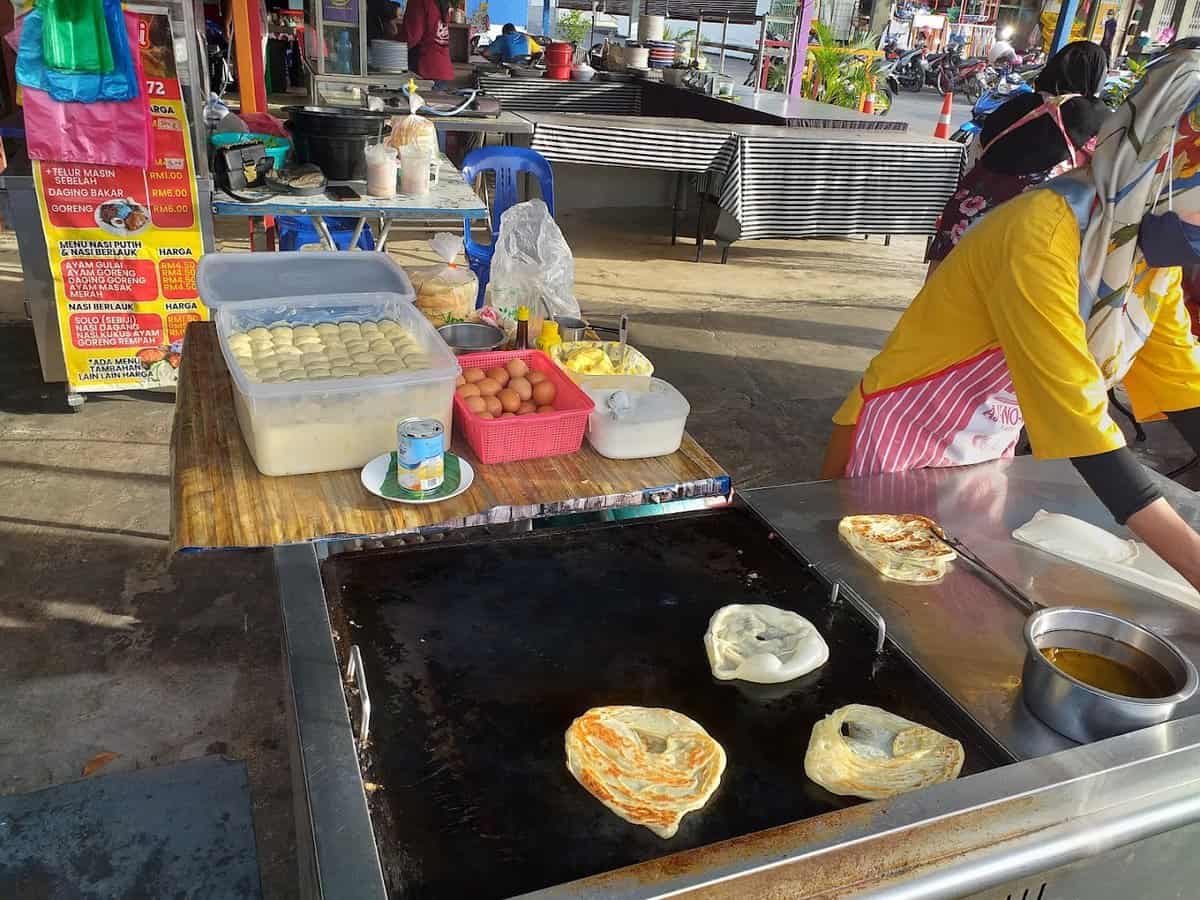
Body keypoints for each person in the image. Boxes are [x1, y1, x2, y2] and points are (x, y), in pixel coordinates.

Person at [821, 41, 1200, 593]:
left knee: (952, 597)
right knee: (870, 595)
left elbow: (1179, 380)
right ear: (1167, 164)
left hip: (982, 447)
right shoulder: (1044, 233)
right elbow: (1080, 426)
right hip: (899, 436)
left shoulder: (1134, 253)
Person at [927, 41, 1109, 267]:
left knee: (944, 294)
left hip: (966, 216)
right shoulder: (1094, 117)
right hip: (1025, 229)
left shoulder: (1018, 103)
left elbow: (978, 151)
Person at [403, 0, 454, 82]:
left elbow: (411, 37)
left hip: (424, 69)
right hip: (442, 68)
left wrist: (388, 45)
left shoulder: (418, 2)